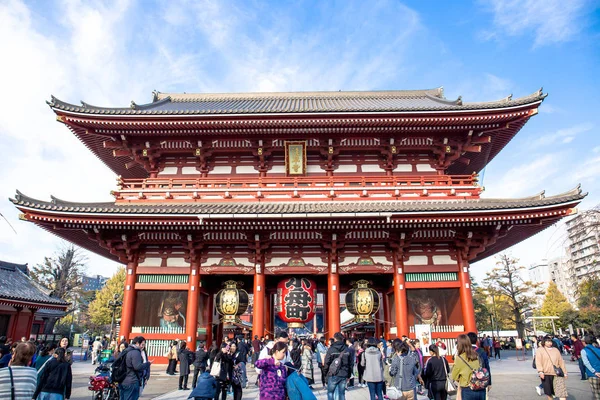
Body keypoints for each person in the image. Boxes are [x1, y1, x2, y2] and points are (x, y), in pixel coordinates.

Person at [451, 334, 486, 400]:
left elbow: (454, 376)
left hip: (467, 388)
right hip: (480, 388)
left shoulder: (459, 358)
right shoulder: (476, 355)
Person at [535, 336, 568, 400]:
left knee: (561, 392)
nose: (550, 343)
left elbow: (561, 361)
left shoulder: (555, 350)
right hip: (546, 373)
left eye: (550, 341)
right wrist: (540, 371)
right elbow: (538, 362)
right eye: (548, 341)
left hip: (557, 373)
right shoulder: (540, 350)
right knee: (549, 393)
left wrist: (565, 372)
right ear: (544, 342)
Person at [120, 336, 152, 400]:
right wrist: (148, 364)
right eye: (142, 344)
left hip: (123, 380)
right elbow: (137, 367)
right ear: (137, 343)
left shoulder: (126, 350)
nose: (143, 346)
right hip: (132, 380)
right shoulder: (135, 352)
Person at [323, 332, 352, 400]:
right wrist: (349, 375)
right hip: (344, 373)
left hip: (333, 373)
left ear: (335, 339)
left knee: (330, 392)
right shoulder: (347, 349)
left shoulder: (331, 349)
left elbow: (327, 362)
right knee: (342, 393)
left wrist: (325, 373)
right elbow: (350, 364)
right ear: (342, 339)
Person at [581, 335, 600, 399]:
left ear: (585, 341)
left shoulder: (584, 351)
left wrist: (594, 371)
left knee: (596, 393)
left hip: (593, 374)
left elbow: (586, 363)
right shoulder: (598, 349)